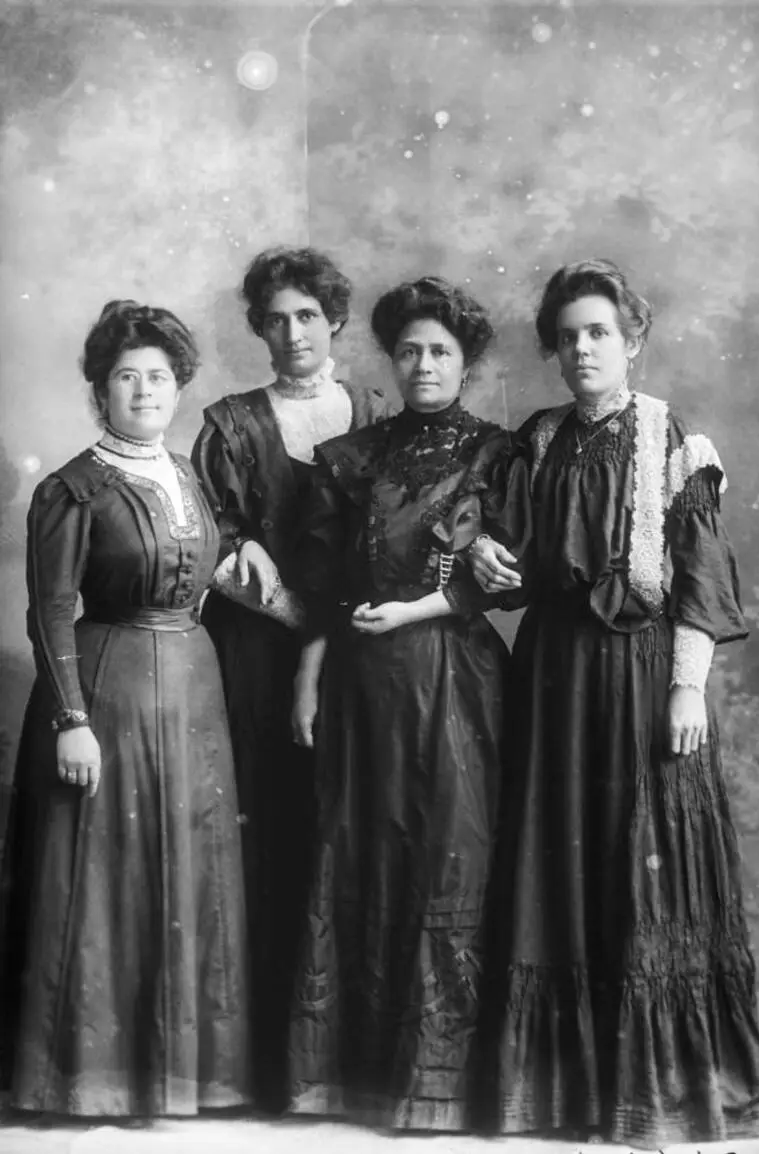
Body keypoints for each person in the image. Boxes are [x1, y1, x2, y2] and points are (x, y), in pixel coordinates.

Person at [469, 259, 759, 1147]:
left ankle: (659, 1089)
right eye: (568, 337)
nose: (582, 349)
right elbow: (509, 553)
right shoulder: (539, 438)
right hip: (554, 676)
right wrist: (488, 554)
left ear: (632, 341)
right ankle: (566, 1090)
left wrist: (686, 685)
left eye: (599, 332)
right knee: (557, 865)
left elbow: (701, 578)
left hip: (641, 676)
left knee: (646, 861)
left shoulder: (670, 437)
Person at [0, 301, 251, 1118]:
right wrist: (72, 720)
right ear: (99, 390)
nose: (144, 390)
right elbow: (48, 610)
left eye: (159, 377)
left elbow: (196, 570)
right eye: (125, 377)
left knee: (189, 872)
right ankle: (87, 1080)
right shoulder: (71, 489)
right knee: (102, 878)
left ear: (178, 387)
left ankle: (179, 1075)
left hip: (192, 692)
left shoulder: (187, 475)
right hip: (107, 693)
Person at [286, 276, 525, 1131]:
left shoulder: (500, 454)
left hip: (455, 682)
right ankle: (354, 1080)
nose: (424, 365)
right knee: (361, 851)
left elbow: (498, 584)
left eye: (441, 353)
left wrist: (420, 607)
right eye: (411, 351)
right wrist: (310, 677)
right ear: (390, 357)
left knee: (449, 856)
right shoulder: (349, 460)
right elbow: (322, 588)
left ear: (466, 363)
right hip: (361, 684)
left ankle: (442, 1088)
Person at [191, 246, 391, 1113]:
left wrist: (331, 626)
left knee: (352, 828)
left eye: (308, 315)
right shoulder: (230, 425)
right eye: (275, 318)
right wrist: (242, 545)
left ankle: (354, 1062)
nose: (292, 333)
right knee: (268, 826)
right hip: (255, 656)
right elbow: (207, 542)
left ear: (337, 320)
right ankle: (267, 1069)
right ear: (258, 329)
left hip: (361, 648)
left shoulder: (378, 410)